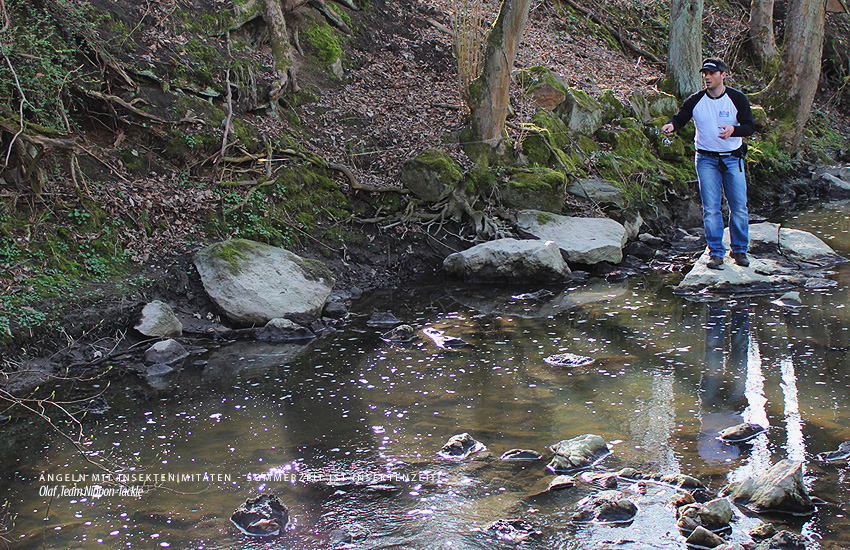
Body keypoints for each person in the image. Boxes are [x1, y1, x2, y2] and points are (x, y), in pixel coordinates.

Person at [662, 58, 755, 270]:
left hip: (733, 158)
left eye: (712, 73)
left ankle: (739, 250)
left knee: (738, 207)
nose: (707, 77)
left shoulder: (737, 99)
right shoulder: (695, 100)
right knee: (711, 208)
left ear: (723, 75)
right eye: (705, 73)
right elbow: (680, 118)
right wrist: (671, 126)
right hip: (706, 159)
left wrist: (734, 130)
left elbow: (749, 127)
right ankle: (715, 253)